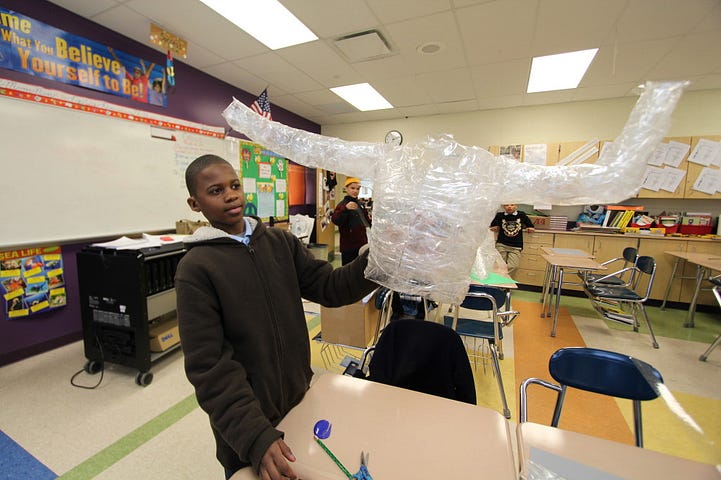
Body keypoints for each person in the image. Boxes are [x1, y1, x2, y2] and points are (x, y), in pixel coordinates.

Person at [174, 155, 377, 480]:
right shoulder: (196, 269)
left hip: (300, 400)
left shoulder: (280, 242)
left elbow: (330, 287)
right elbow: (209, 367)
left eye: (235, 185)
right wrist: (254, 437)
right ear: (195, 203)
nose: (230, 195)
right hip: (248, 426)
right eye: (215, 190)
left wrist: (379, 261)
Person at [331, 177, 372, 266]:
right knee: (348, 271)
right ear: (346, 189)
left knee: (360, 269)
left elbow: (367, 220)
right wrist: (345, 209)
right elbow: (335, 220)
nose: (355, 191)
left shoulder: (360, 204)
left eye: (357, 189)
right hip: (349, 246)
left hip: (362, 243)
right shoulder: (342, 205)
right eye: (352, 188)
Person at [489, 204, 535, 277]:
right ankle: (498, 283)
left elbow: (530, 224)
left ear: (516, 206)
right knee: (499, 265)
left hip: (516, 245)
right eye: (507, 205)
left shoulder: (521, 215)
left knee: (513, 266)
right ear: (503, 207)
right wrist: (494, 227)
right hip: (502, 244)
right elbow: (493, 225)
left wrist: (530, 227)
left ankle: (504, 281)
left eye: (512, 205)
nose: (509, 207)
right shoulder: (499, 215)